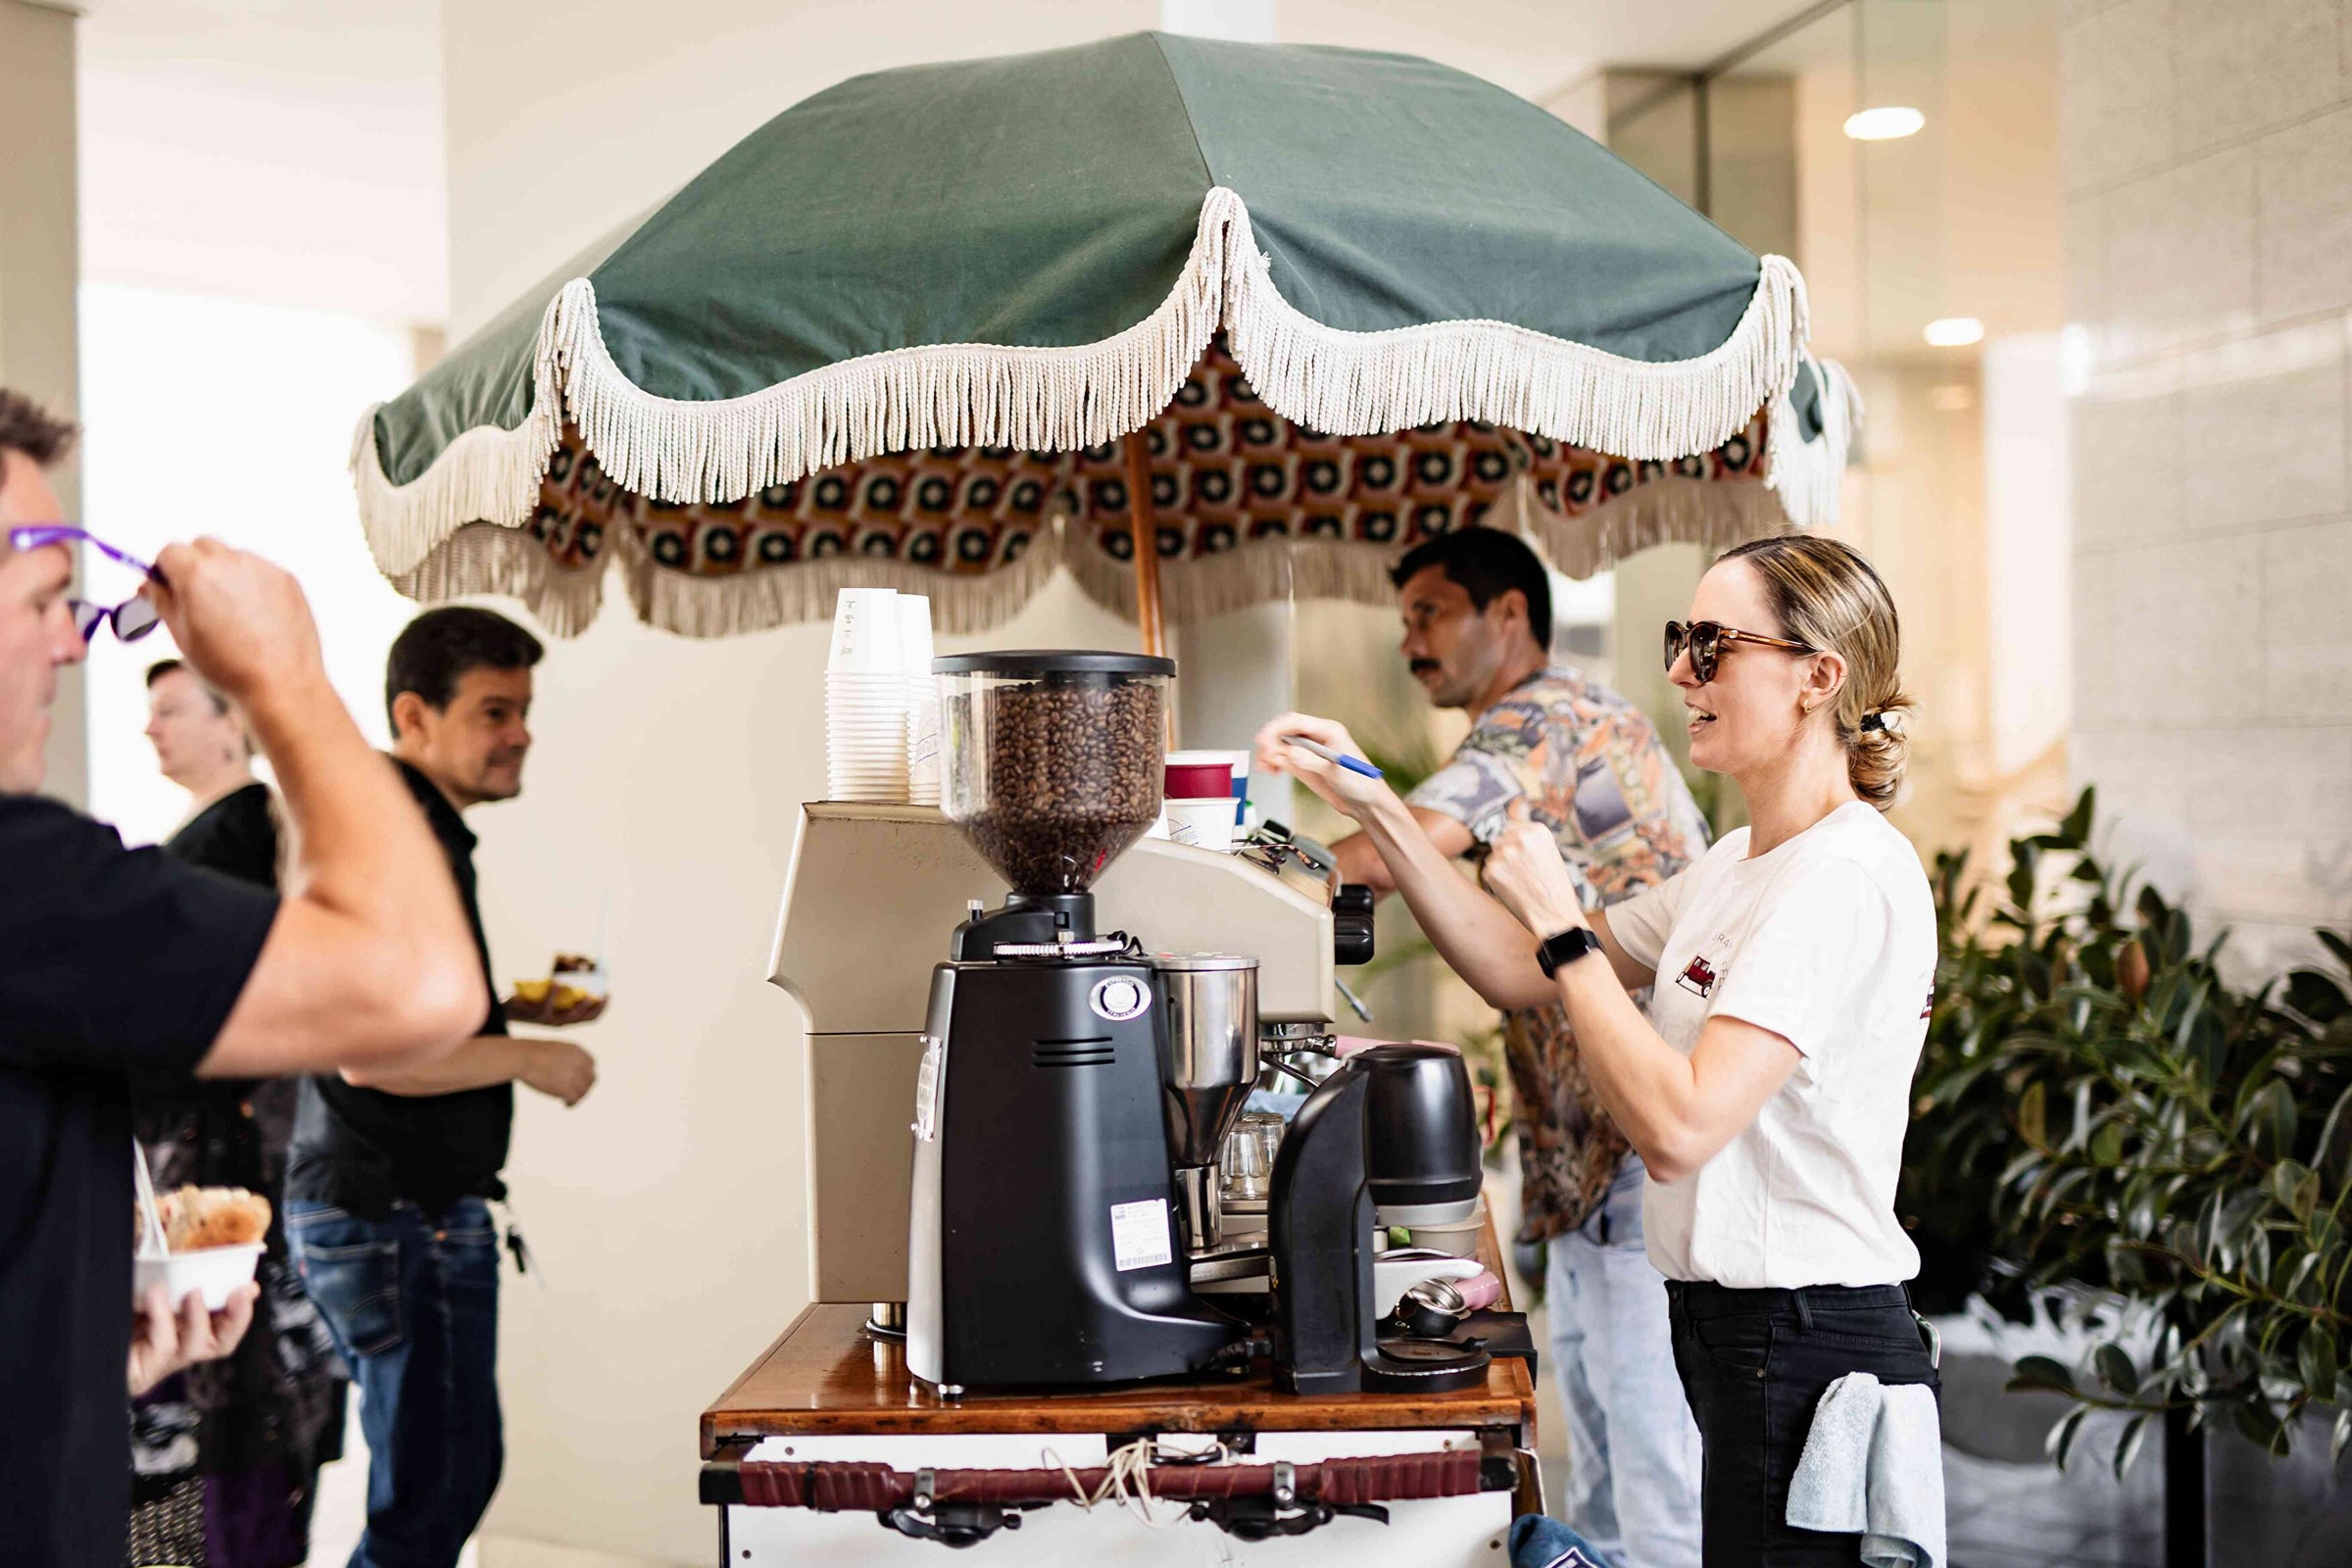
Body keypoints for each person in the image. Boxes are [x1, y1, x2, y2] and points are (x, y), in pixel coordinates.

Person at [1262, 534, 1939, 1568]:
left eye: (1713, 645)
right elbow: (1513, 966)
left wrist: (1562, 921)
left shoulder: (1842, 876)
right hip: (1729, 1327)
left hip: (1806, 1340)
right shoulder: (1733, 867)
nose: (1679, 673)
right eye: (1682, 639)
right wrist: (1382, 811)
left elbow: (1679, 1127)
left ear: (1819, 676)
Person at [0, 386, 485, 1567]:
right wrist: (288, 678)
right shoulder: (27, 885)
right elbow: (417, 984)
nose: (72, 641)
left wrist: (75, 1362)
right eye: (46, 602)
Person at [1320, 527, 1711, 1568]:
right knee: (1615, 1480)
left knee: (1660, 1490)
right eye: (1404, 620)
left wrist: (1244, 881)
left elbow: (1397, 850)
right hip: (1590, 1157)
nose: (1412, 641)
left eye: (1430, 614)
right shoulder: (1539, 725)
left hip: (1645, 1150)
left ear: (1509, 615)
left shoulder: (1548, 716)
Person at [285, 606, 602, 1568]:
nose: (520, 735)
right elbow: (370, 1051)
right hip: (398, 1215)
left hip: (395, 1210)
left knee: (443, 1480)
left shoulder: (413, 826)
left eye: (525, 711)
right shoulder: (396, 837)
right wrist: (528, 1058)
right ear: (414, 715)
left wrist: (511, 1011)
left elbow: (399, 1007)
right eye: (494, 711)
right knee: (435, 1493)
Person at [128, 658, 351, 1568]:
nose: (152, 729)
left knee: (233, 1402)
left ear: (233, 725)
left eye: (172, 711)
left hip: (228, 1175)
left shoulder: (247, 835)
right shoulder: (212, 838)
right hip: (208, 1167)